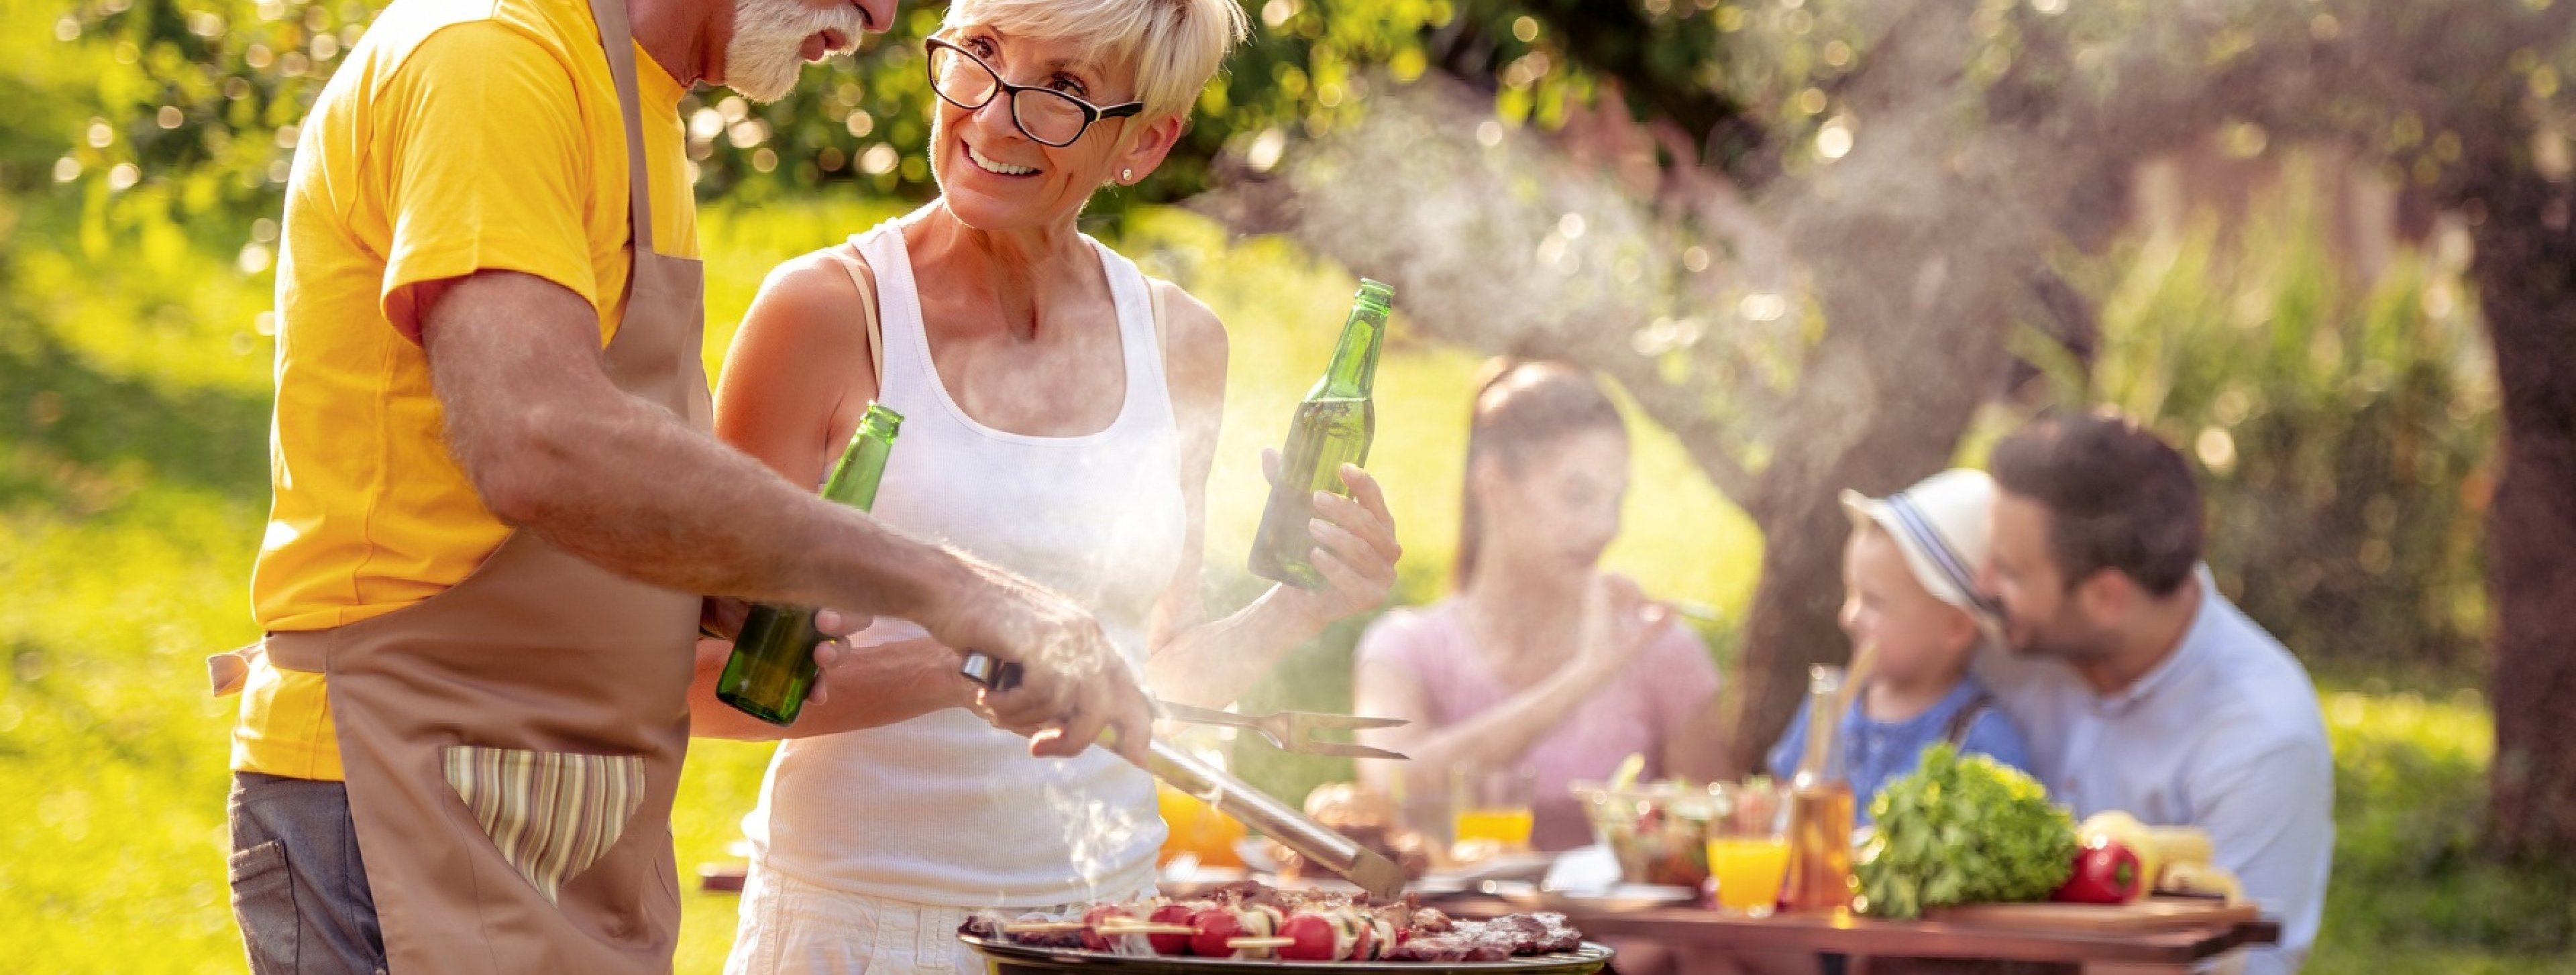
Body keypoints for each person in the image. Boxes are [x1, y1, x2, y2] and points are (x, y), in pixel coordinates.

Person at [213, 0, 1157, 969]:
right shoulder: (489, 58)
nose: (878, 15)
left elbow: (591, 482)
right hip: (398, 790)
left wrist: (714, 584)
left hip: (557, 807)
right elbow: (538, 437)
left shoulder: (641, 104)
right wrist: (953, 591)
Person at [691, 1, 1404, 971]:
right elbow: (693, 686)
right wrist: (969, 661)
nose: (990, 117)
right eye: (978, 57)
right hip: (862, 928)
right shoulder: (824, 313)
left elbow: (1142, 679)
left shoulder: (1181, 341)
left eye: (1064, 89)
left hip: (1107, 927)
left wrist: (1299, 610)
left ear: (1144, 142)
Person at [1975, 410, 2333, 975]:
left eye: (2010, 572)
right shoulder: (2007, 643)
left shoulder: (2262, 737)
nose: (1982, 585)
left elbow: (2243, 964)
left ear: (2107, 597)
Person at [1352, 359, 1727, 853]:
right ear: (1492, 486)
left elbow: (1721, 846)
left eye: (1616, 500)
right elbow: (1393, 789)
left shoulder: (1662, 651)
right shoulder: (1406, 647)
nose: (1605, 527)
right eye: (1578, 495)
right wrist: (1583, 678)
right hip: (1446, 930)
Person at [1765, 470, 2032, 823]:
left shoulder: (1983, 742)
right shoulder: (1829, 704)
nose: (1849, 617)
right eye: (1851, 592)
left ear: (1956, 628)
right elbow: (1777, 812)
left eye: (1873, 602)